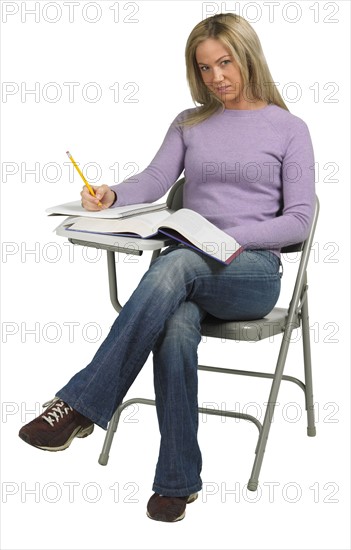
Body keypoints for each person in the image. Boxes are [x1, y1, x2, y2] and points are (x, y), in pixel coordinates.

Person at [19, 13, 315, 522]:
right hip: (185, 273)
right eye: (204, 69)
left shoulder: (289, 129)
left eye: (225, 63)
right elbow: (155, 178)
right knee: (175, 324)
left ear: (248, 57)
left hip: (251, 275)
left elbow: (299, 220)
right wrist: (112, 194)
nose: (217, 77)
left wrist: (228, 239)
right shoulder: (190, 122)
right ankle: (178, 481)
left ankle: (81, 405)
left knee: (174, 263)